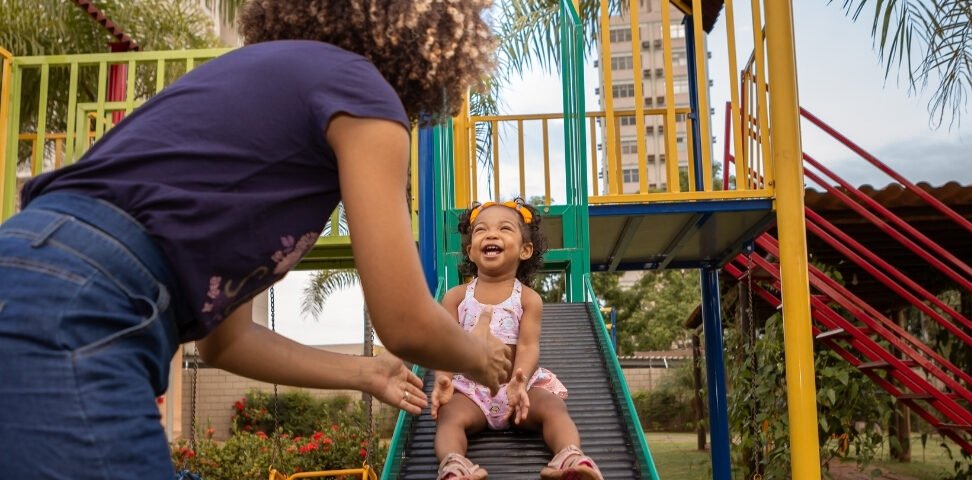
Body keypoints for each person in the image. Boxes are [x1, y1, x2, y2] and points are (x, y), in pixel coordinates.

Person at [0, 1, 513, 478]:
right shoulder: (361, 91)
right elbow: (405, 322)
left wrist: (365, 373)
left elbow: (227, 342)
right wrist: (479, 356)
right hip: (86, 303)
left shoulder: (250, 78)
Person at [431, 200, 604, 480]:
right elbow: (444, 346)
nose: (491, 234)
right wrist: (443, 377)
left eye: (504, 228)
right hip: (472, 393)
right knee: (449, 418)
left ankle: (570, 457)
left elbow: (527, 345)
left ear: (525, 250)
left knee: (553, 407)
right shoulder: (455, 297)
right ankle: (455, 465)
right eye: (481, 230)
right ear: (470, 251)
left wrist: (521, 381)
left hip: (518, 391)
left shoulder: (528, 299)